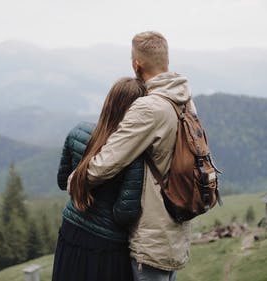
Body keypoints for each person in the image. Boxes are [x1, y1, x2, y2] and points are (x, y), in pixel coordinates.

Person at [86, 31, 197, 281]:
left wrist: (76, 181)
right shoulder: (186, 101)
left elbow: (105, 164)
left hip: (152, 238)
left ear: (137, 64)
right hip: (176, 228)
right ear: (165, 61)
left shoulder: (149, 108)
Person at [52, 77, 147, 281]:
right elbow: (124, 214)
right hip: (107, 247)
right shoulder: (133, 154)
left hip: (71, 232)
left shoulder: (78, 132)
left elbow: (63, 182)